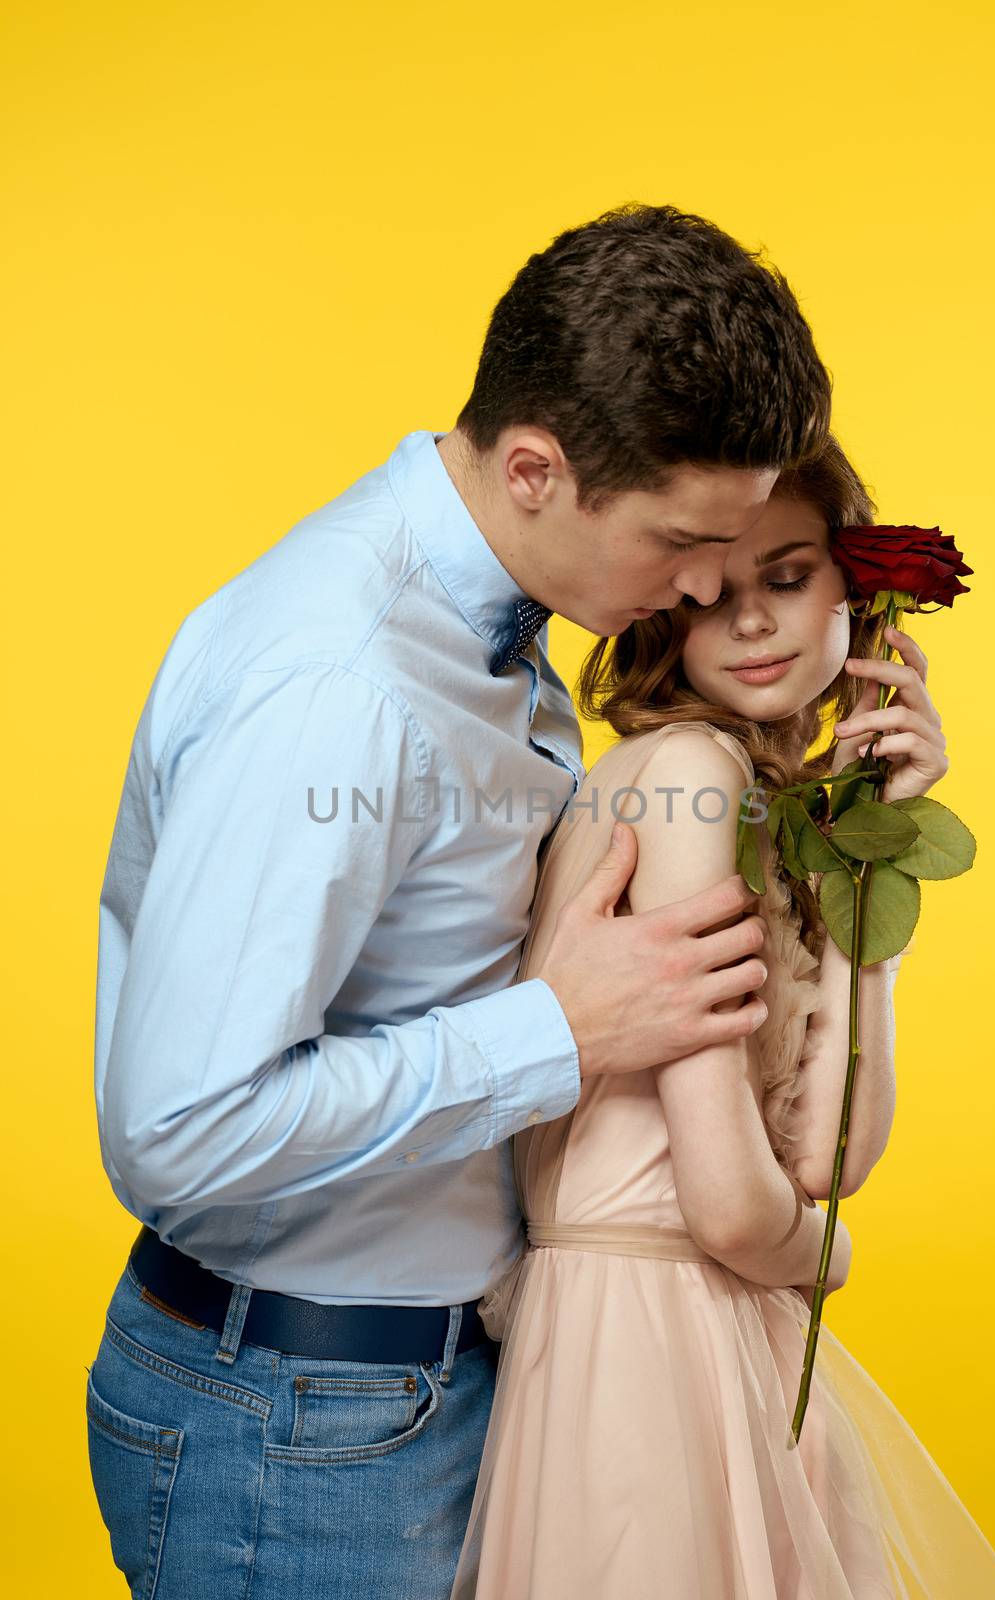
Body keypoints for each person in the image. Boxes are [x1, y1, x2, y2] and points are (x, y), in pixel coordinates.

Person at [86, 202, 835, 1598]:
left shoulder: (490, 608)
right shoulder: (338, 684)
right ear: (536, 468)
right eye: (680, 541)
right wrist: (555, 1030)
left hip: (424, 1386)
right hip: (297, 1430)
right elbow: (175, 1132)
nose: (704, 585)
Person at [447, 435, 995, 1599]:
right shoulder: (686, 774)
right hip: (644, 1337)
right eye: (720, 584)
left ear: (853, 599)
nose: (753, 621)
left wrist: (875, 865)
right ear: (673, 602)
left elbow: (824, 1155)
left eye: (790, 575)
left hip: (717, 1328)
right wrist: (831, 1260)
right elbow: (732, 1202)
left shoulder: (769, 807)